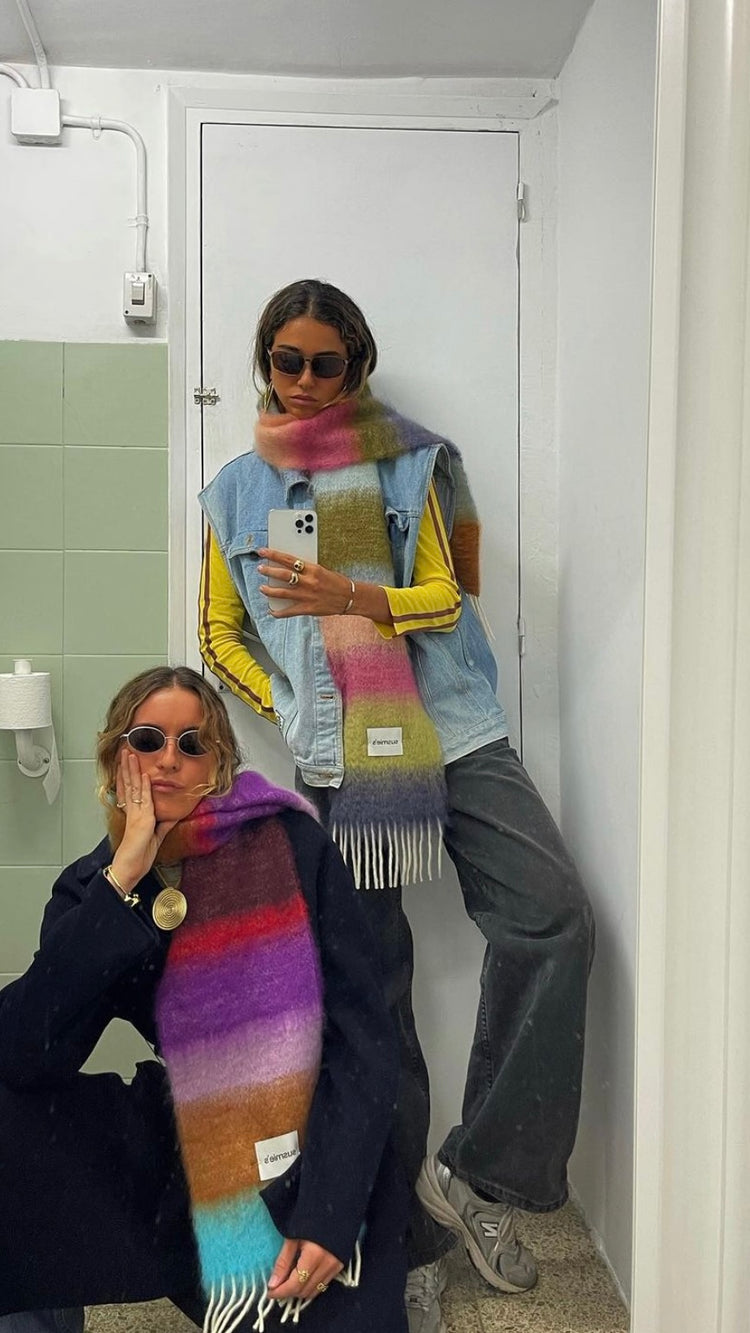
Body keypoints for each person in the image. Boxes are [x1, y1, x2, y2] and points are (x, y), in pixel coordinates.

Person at [197, 278, 595, 1333]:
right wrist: (289, 704)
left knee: (553, 919)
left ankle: (481, 1176)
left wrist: (353, 597)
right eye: (287, 359)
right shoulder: (234, 491)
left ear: (357, 366)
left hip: (453, 729)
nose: (305, 380)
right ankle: (407, 1235)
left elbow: (449, 593)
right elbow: (219, 632)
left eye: (326, 362)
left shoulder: (418, 462)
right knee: (375, 994)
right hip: (340, 762)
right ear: (265, 363)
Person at [0, 666, 407, 1333]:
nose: (168, 759)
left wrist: (330, 1213)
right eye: (147, 739)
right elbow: (24, 1053)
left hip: (314, 1139)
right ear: (114, 758)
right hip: (195, 1142)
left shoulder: (293, 847)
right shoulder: (93, 886)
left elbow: (364, 1039)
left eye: (192, 744)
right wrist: (123, 879)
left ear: (217, 765)